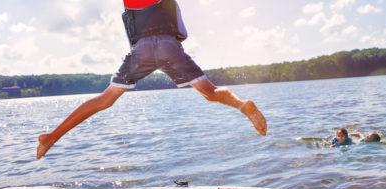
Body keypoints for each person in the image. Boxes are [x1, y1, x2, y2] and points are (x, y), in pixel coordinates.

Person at [36, 0, 267, 160]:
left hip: (142, 50)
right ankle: (241, 104)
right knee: (211, 93)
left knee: (105, 99)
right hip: (169, 46)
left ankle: (52, 137)